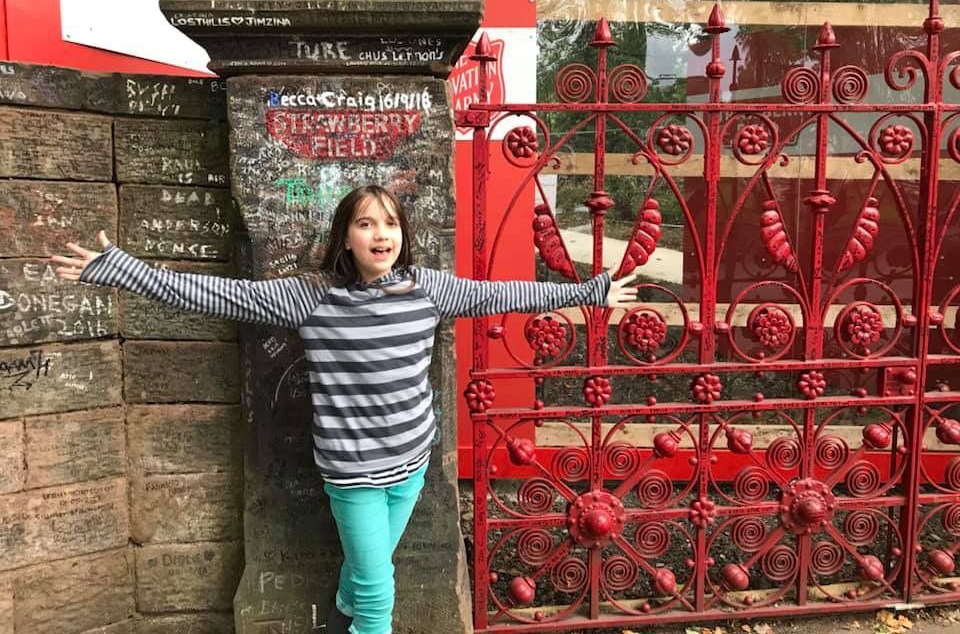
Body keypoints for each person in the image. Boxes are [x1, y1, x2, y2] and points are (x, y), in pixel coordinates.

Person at [51, 184, 639, 634]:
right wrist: (120, 269)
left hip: (412, 464)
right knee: (379, 593)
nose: (380, 234)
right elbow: (219, 295)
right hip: (353, 474)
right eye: (365, 223)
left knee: (367, 569)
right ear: (346, 236)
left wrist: (588, 292)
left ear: (402, 233)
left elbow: (505, 294)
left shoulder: (429, 288)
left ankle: (342, 609)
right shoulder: (311, 296)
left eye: (390, 223)